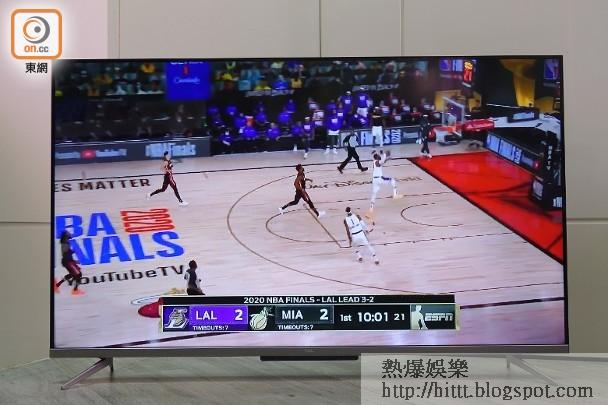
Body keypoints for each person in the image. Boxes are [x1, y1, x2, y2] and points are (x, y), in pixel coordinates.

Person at [368, 150, 400, 218]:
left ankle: (371, 209)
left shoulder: (375, 162)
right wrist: (385, 154)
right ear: (377, 157)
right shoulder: (376, 162)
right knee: (392, 180)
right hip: (380, 179)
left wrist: (387, 158)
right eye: (378, 156)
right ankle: (395, 195)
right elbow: (382, 161)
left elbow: (383, 161)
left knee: (374, 194)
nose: (379, 156)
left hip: (374, 180)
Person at [55, 231, 85, 295]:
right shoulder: (65, 243)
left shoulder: (65, 243)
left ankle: (57, 285)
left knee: (72, 274)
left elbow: (66, 254)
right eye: (68, 234)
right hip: (68, 262)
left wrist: (74, 260)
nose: (70, 235)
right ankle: (75, 290)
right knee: (79, 274)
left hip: (67, 262)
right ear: (66, 236)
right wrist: (72, 252)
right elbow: (66, 254)